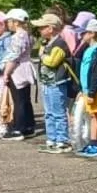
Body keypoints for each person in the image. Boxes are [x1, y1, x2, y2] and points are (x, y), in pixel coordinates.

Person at [34, 12, 73, 152]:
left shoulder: (60, 43)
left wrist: (42, 55)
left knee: (58, 112)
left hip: (56, 83)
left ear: (51, 28)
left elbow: (52, 61)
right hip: (46, 83)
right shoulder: (46, 43)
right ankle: (52, 138)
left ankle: (63, 140)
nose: (39, 30)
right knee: (48, 112)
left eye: (42, 27)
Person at [0, 9, 36, 140]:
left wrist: (6, 72)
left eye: (9, 21)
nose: (8, 24)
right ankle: (29, 126)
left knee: (18, 100)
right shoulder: (27, 35)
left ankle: (19, 129)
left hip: (18, 70)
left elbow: (14, 56)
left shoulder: (18, 36)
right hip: (25, 68)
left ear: (16, 22)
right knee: (25, 99)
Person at [76, 18, 97, 158]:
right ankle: (93, 141)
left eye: (83, 33)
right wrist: (81, 90)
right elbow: (84, 72)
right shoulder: (88, 50)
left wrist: (91, 91)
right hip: (86, 89)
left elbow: (96, 73)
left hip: (94, 90)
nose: (81, 36)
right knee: (93, 115)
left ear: (91, 33)